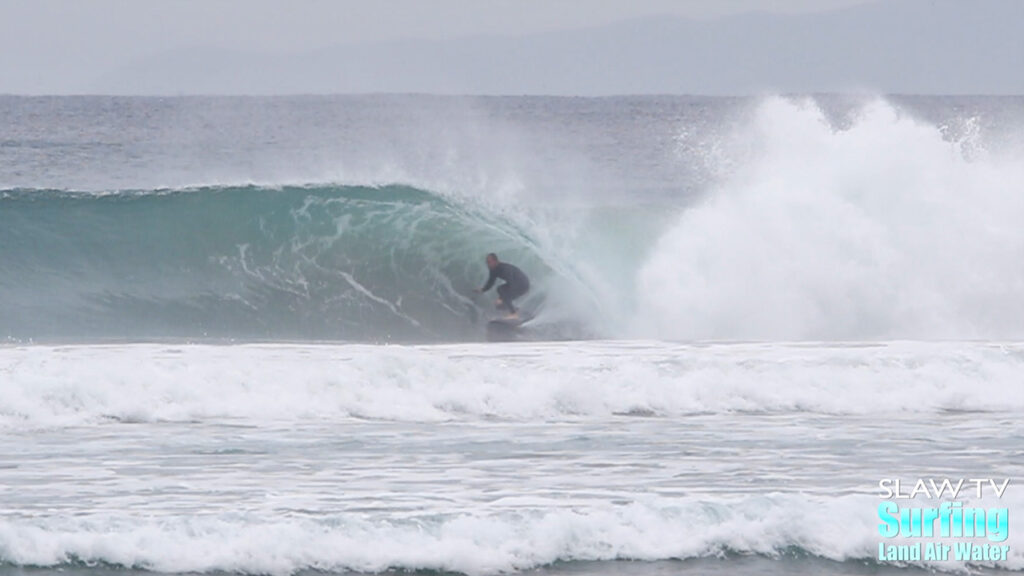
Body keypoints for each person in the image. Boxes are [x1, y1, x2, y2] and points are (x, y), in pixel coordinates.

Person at [475, 253, 530, 318]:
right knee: (499, 305)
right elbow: (491, 282)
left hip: (523, 284)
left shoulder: (504, 269)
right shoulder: (493, 270)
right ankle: (517, 311)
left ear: (496, 261)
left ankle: (514, 314)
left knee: (501, 291)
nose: (488, 264)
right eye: (487, 262)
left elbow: (512, 285)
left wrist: (501, 298)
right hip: (515, 285)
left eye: (489, 262)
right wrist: (482, 290)